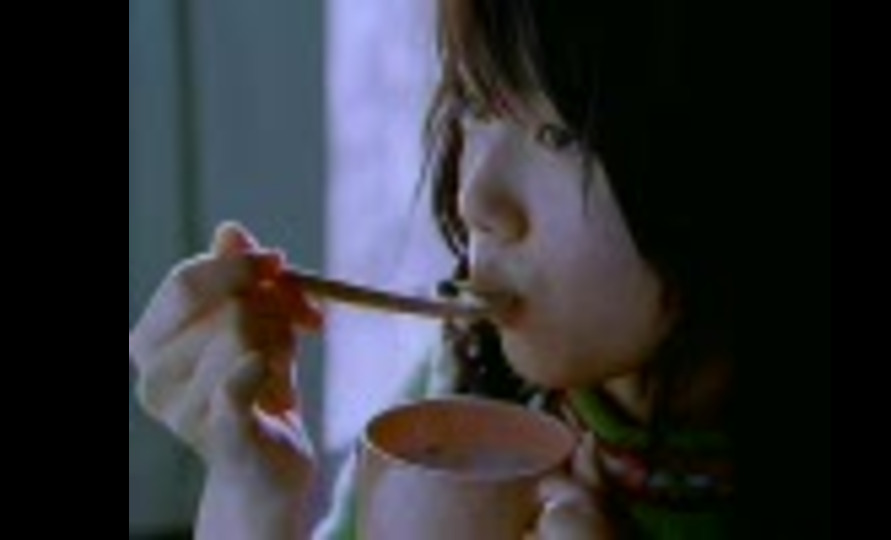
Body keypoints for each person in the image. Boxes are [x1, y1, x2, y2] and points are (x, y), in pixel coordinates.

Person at [128, 0, 829, 538]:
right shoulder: (467, 390)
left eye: (559, 134)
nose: (475, 200)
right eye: (474, 102)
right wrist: (253, 497)